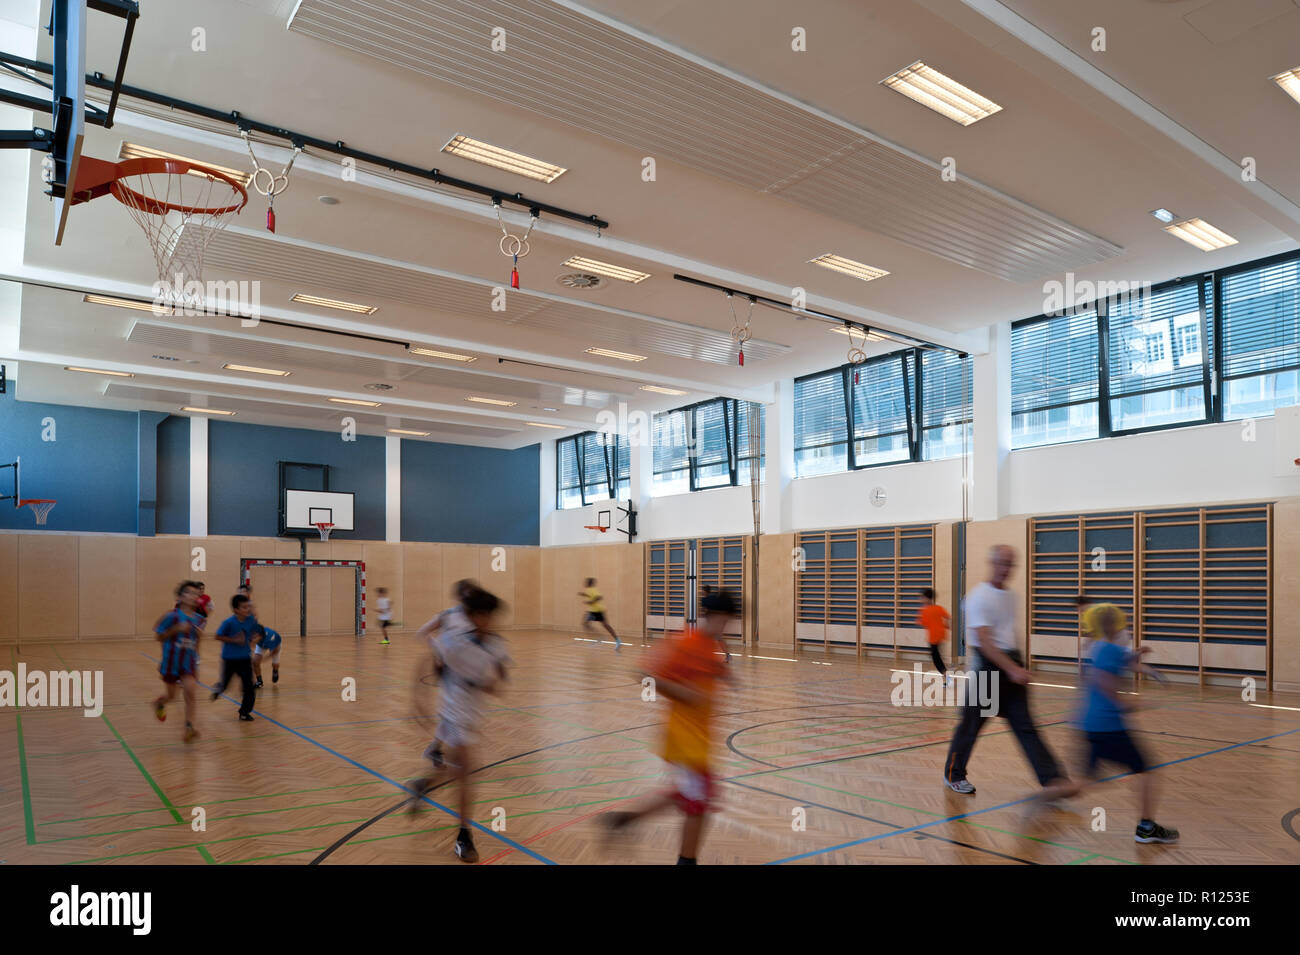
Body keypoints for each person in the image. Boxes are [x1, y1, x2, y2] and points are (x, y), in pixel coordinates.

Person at [601, 590, 736, 865]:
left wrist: (724, 675)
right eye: (729, 618)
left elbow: (708, 673)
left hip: (699, 741)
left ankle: (624, 820)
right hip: (683, 740)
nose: (730, 625)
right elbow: (643, 675)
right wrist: (684, 693)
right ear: (718, 616)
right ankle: (686, 862)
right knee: (699, 804)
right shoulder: (686, 643)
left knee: (688, 796)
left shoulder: (709, 647)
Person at [942, 545, 1076, 801]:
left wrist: (1018, 663)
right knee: (970, 727)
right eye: (1002, 563)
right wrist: (1012, 668)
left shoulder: (1011, 596)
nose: (1006, 569)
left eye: (1010, 564)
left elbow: (1006, 634)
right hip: (988, 670)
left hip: (1009, 664)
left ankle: (1052, 780)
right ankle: (954, 774)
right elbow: (984, 641)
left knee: (1026, 727)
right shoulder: (978, 597)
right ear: (992, 563)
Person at [406, 587, 511, 863]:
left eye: (490, 615)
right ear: (473, 615)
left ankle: (423, 785)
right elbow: (428, 664)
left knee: (457, 770)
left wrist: (493, 684)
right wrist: (418, 700)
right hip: (452, 710)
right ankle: (464, 836)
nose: (486, 620)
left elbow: (500, 675)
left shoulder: (497, 643)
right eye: (481, 614)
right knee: (467, 771)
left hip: (474, 713)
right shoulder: (453, 641)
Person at [1069, 604, 1178, 843]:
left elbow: (1126, 661)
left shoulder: (1100, 648)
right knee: (1147, 770)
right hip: (1109, 726)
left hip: (1089, 724)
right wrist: (1136, 705)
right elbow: (1109, 687)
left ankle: (1040, 799)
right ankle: (1146, 827)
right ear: (1111, 626)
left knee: (1083, 782)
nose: (1123, 627)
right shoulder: (1107, 650)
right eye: (1120, 623)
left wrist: (1148, 667)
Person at [414, 579, 478, 770]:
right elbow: (422, 632)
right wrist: (437, 650)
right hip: (449, 671)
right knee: (455, 712)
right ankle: (451, 752)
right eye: (466, 593)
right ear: (460, 596)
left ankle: (435, 748)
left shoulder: (475, 617)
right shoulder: (448, 616)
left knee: (456, 713)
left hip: (467, 670)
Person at [153, 581, 203, 743]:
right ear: (180, 597)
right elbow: (158, 636)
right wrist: (175, 629)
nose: (193, 596)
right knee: (172, 696)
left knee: (190, 692)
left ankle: (189, 727)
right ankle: (160, 703)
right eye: (189, 592)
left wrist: (197, 660)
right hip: (170, 663)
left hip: (188, 664)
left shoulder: (197, 619)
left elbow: (196, 642)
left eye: (196, 593)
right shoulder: (171, 616)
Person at [211, 594, 260, 721]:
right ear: (236, 609)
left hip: (244, 659)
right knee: (225, 686)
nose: (247, 609)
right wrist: (234, 639)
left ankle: (244, 712)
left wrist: (254, 638)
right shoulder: (228, 622)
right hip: (230, 659)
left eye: (248, 607)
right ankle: (218, 689)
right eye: (244, 607)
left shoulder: (251, 621)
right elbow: (217, 636)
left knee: (249, 687)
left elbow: (256, 632)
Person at [917, 588, 951, 685]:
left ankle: (947, 676)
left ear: (927, 599)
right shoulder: (939, 608)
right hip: (941, 635)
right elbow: (948, 617)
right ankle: (946, 673)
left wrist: (921, 621)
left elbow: (924, 623)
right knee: (937, 656)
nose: (921, 600)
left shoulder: (925, 610)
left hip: (933, 637)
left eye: (922, 598)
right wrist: (946, 626)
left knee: (936, 659)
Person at [580, 577, 621, 651]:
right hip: (592, 611)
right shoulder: (588, 590)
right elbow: (589, 595)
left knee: (606, 626)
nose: (585, 583)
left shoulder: (593, 590)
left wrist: (591, 602)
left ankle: (617, 640)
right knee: (585, 624)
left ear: (589, 583)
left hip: (598, 611)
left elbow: (599, 597)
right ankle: (599, 637)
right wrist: (583, 594)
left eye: (587, 581)